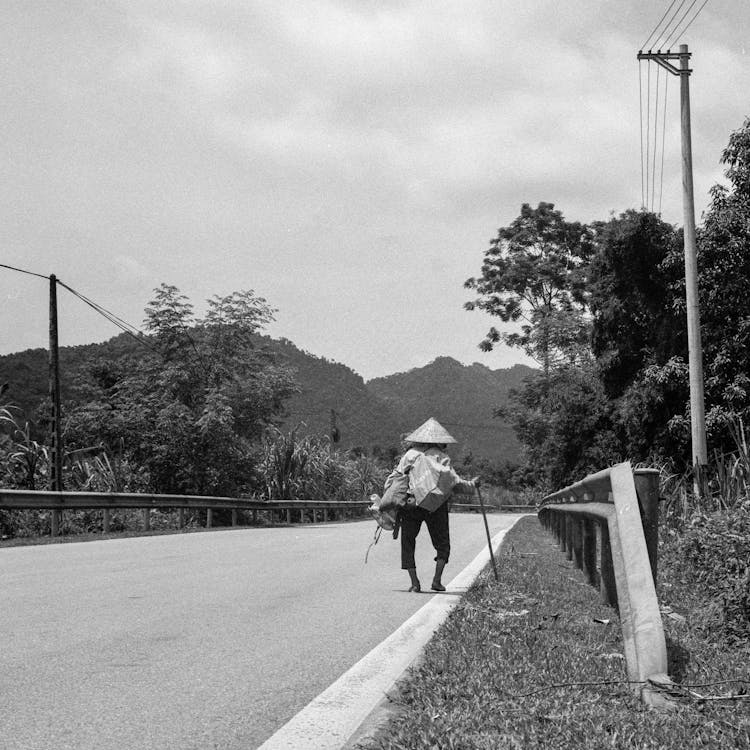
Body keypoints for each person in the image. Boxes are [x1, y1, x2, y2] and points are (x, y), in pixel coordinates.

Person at [384, 417, 478, 593]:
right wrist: (472, 485)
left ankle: (414, 583)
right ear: (440, 442)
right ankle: (436, 581)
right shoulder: (441, 457)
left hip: (411, 504)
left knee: (408, 541)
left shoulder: (409, 455)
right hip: (436, 505)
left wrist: (390, 499)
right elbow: (453, 483)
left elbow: (395, 479)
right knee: (442, 543)